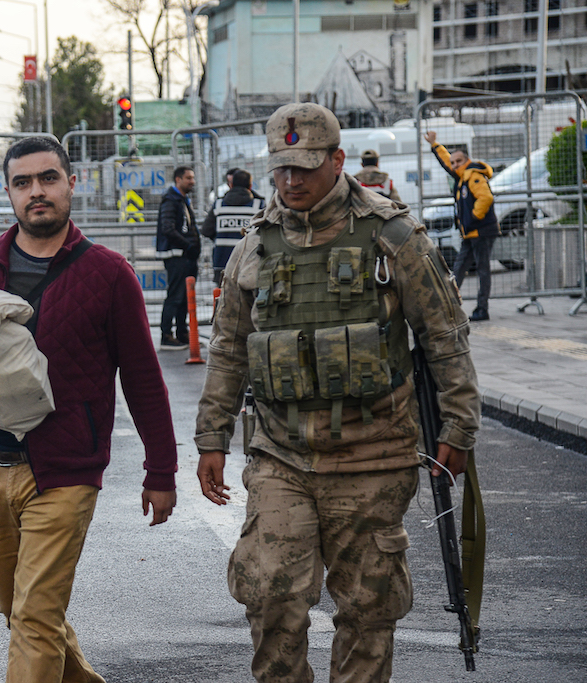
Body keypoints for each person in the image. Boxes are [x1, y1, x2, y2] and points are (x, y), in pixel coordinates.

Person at [195, 103, 480, 683]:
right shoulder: (255, 245)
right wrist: (211, 436)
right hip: (281, 456)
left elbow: (444, 337)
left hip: (375, 456)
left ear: (337, 160)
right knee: (271, 596)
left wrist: (459, 426)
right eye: (281, 169)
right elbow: (229, 348)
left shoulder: (393, 237)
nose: (291, 180)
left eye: (304, 166)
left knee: (368, 610)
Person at [0, 136, 178, 683]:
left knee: (35, 616)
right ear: (9, 194)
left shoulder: (109, 274)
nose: (36, 192)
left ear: (70, 183)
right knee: (17, 609)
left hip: (65, 472)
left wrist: (162, 471)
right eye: (23, 183)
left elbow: (143, 380)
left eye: (47, 179)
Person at [425, 131, 499, 321]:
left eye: (458, 161)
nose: (454, 165)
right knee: (458, 268)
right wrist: (434, 144)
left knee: (482, 270)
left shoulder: (473, 176)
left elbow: (486, 198)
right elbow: (445, 159)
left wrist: (473, 217)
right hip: (470, 232)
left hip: (480, 231)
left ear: (467, 161)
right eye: (454, 162)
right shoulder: (462, 177)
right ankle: (448, 304)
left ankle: (482, 308)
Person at [155, 165, 200, 350]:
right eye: (188, 178)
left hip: (185, 255)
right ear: (178, 180)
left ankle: (182, 333)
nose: (192, 181)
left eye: (193, 177)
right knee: (175, 296)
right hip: (177, 256)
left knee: (184, 297)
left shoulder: (182, 200)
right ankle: (166, 335)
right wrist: (187, 245)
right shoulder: (171, 200)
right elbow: (168, 229)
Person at [201, 169, 264, 286]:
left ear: (231, 185)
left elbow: (206, 231)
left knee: (223, 300)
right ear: (250, 186)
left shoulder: (218, 205)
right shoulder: (258, 206)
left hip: (222, 263)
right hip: (249, 263)